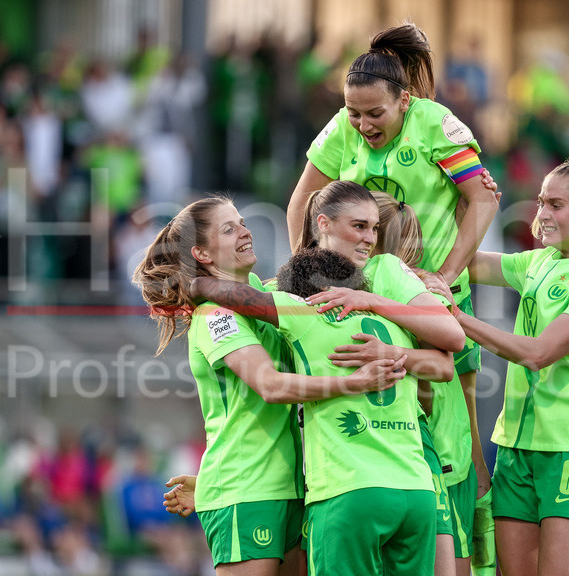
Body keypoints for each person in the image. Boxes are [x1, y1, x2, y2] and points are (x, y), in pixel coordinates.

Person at [285, 23, 499, 575]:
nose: (361, 125)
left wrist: (447, 276)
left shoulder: (437, 126)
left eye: (374, 114)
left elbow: (482, 199)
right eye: (353, 113)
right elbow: (302, 201)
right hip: (361, 288)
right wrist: (307, 269)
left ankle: (465, 541)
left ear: (406, 101)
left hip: (423, 298)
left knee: (453, 439)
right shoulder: (342, 128)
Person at [133, 197, 405, 576]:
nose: (245, 231)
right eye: (229, 229)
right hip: (247, 490)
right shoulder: (214, 315)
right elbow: (271, 386)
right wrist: (353, 382)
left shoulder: (263, 293)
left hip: (294, 490)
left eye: (242, 222)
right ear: (201, 252)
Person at [193, 246, 458, 576]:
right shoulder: (397, 327)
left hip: (349, 493)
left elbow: (242, 297)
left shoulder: (306, 313)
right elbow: (437, 377)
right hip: (417, 493)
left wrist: (195, 286)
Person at [426, 158, 569, 576]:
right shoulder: (538, 263)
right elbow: (463, 260)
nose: (541, 214)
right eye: (541, 202)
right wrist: (467, 200)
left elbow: (539, 353)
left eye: (556, 204)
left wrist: (460, 320)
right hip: (516, 446)